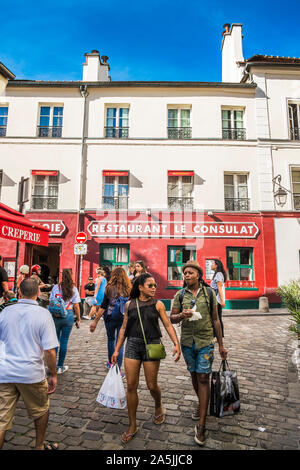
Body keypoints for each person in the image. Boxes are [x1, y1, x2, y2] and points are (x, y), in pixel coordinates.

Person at [111, 273, 181, 444]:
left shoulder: (158, 305)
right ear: (140, 287)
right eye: (150, 285)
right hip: (133, 345)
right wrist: (117, 349)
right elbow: (123, 328)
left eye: (155, 285)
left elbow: (167, 324)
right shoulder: (129, 304)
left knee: (151, 385)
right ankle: (132, 424)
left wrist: (176, 343)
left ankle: (158, 405)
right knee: (131, 386)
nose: (154, 288)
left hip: (152, 345)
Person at [170, 260, 227, 447]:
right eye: (185, 272)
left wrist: (221, 345)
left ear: (199, 275)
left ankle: (202, 425)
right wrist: (180, 316)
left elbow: (216, 320)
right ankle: (201, 404)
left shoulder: (209, 293)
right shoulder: (179, 295)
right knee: (195, 377)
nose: (186, 275)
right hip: (187, 343)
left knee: (203, 378)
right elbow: (172, 317)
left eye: (190, 272)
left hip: (205, 341)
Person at [0, 278, 59, 450]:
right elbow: (49, 351)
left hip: (4, 371)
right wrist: (53, 374)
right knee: (41, 410)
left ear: (19, 293)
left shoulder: (5, 313)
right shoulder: (43, 314)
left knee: (1, 419)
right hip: (31, 373)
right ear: (38, 293)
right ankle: (39, 445)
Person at [90, 267, 132, 373]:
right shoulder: (129, 288)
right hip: (123, 318)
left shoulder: (109, 288)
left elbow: (103, 306)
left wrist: (95, 321)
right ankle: (118, 368)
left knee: (111, 339)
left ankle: (111, 364)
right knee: (120, 343)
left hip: (110, 317)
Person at [49, 269, 81, 374]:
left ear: (62, 276)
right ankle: (60, 366)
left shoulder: (55, 287)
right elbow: (76, 305)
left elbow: (51, 301)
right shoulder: (74, 289)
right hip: (68, 315)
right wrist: (79, 319)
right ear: (71, 276)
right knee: (64, 341)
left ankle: (52, 366)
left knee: (55, 341)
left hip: (56, 316)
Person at [210, 259, 226, 338]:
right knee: (215, 318)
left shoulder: (219, 274)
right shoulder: (217, 274)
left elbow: (220, 288)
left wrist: (222, 301)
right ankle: (216, 336)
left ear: (216, 265)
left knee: (217, 318)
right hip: (215, 300)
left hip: (217, 300)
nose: (211, 265)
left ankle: (218, 336)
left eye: (212, 263)